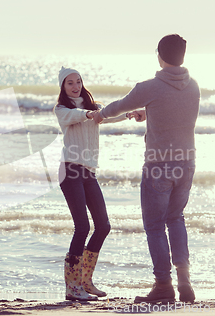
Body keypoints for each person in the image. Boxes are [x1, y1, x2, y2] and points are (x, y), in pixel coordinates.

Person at [93, 34, 200, 304]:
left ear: (159, 55)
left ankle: (164, 284)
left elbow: (118, 106)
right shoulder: (194, 86)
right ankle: (185, 281)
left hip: (159, 166)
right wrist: (148, 112)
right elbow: (175, 113)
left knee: (154, 226)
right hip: (186, 163)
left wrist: (99, 114)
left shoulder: (149, 87)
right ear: (183, 57)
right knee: (175, 218)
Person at [55, 67, 132, 301]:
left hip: (88, 171)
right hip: (70, 170)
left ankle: (85, 281)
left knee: (103, 226)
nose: (76, 86)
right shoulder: (62, 110)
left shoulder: (93, 106)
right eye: (70, 83)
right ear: (63, 87)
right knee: (82, 227)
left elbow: (106, 116)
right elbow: (75, 117)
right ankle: (72, 287)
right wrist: (89, 114)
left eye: (78, 81)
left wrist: (130, 114)